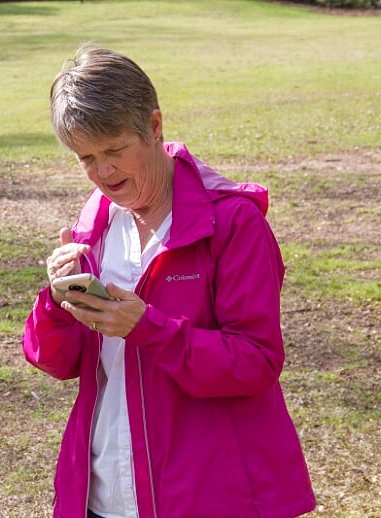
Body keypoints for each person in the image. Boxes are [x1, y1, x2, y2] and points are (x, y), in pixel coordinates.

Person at [22, 46, 316, 518]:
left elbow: (257, 362)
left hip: (209, 496)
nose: (102, 173)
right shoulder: (94, 225)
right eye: (86, 158)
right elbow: (57, 362)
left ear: (154, 126)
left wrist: (147, 327)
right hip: (104, 495)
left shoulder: (234, 225)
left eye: (115, 150)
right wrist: (57, 301)